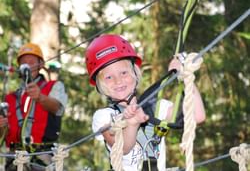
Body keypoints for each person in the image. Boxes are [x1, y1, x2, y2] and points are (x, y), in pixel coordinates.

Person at [85, 34, 205, 171]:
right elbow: (122, 148)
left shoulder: (156, 107)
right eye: (108, 77)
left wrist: (184, 76)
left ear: (135, 74)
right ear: (100, 86)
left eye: (123, 73)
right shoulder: (105, 116)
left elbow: (197, 115)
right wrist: (132, 123)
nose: (118, 81)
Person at [0, 43, 68, 171]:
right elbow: (3, 135)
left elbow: (58, 108)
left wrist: (40, 97)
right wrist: (2, 126)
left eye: (31, 62)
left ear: (41, 65)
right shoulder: (10, 98)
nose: (27, 66)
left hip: (42, 156)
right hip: (14, 158)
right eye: (23, 63)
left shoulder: (54, 86)